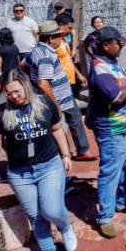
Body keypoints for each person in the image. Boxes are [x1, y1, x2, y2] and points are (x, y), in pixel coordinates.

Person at [0, 69, 77, 251]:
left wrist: (66, 154)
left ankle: (65, 228)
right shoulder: (1, 112)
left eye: (17, 92)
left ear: (26, 86)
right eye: (8, 93)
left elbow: (56, 129)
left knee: (52, 209)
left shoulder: (45, 104)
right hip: (20, 173)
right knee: (35, 216)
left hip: (49, 165)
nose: (13, 97)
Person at [86, 26, 126, 239]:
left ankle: (124, 201)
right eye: (117, 43)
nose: (121, 45)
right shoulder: (101, 69)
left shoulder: (112, 63)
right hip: (113, 130)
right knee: (110, 172)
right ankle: (105, 217)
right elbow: (117, 98)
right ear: (105, 45)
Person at [26, 21, 93, 162]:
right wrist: (55, 104)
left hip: (63, 95)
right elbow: (43, 83)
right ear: (51, 38)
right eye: (59, 36)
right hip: (56, 98)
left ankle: (81, 150)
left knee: (74, 118)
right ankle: (65, 156)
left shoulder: (37, 49)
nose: (61, 38)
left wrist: (32, 76)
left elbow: (23, 65)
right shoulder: (45, 55)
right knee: (59, 127)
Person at [55, 14, 88, 98]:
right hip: (61, 84)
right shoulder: (53, 44)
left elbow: (68, 60)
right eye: (69, 28)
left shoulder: (64, 40)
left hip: (70, 81)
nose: (71, 31)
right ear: (60, 25)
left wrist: (78, 75)